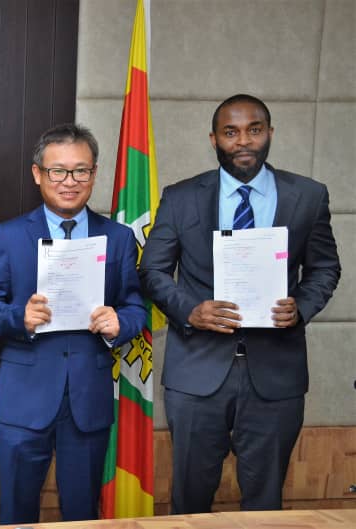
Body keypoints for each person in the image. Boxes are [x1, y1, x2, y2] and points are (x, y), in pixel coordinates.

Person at [140, 94, 341, 513]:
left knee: (265, 500)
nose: (243, 140)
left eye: (254, 129)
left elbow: (325, 269)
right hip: (196, 375)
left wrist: (301, 307)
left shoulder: (307, 195)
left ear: (269, 133)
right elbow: (152, 271)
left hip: (276, 376)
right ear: (213, 139)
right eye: (231, 132)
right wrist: (190, 310)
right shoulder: (180, 197)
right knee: (189, 501)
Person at [0, 123, 146, 522]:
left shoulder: (117, 237)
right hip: (23, 399)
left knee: (82, 513)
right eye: (58, 171)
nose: (69, 182)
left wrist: (120, 321)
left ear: (94, 174)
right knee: (17, 511)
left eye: (80, 171)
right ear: (38, 174)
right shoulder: (10, 235)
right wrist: (20, 317)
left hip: (88, 398)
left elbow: (135, 305)